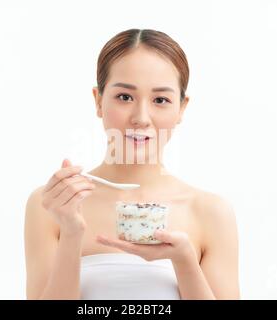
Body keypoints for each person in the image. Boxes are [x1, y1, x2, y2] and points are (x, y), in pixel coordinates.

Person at [24, 28, 240, 300]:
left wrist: (184, 260)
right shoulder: (51, 206)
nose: (141, 117)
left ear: (181, 108)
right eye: (125, 97)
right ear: (98, 100)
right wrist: (71, 233)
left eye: (160, 100)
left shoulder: (211, 212)